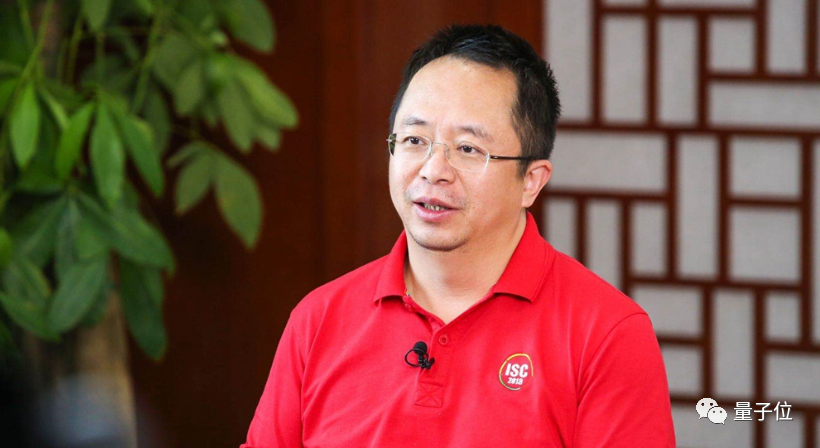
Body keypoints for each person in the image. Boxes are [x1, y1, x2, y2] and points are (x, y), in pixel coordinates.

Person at [239, 24, 675, 447]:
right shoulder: (318, 320)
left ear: (531, 181)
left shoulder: (606, 334)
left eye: (468, 149)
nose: (433, 170)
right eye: (414, 140)